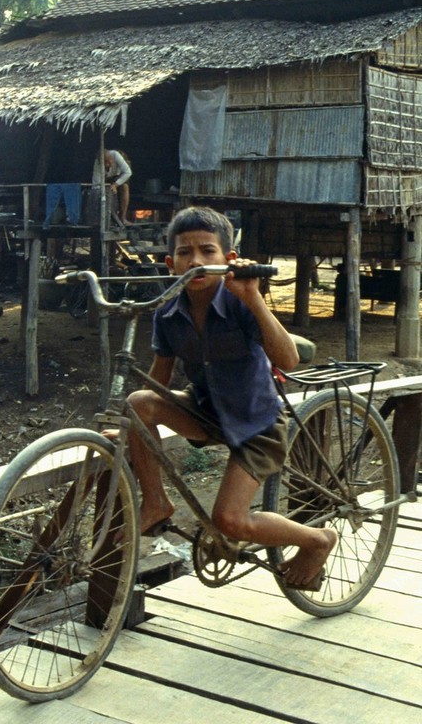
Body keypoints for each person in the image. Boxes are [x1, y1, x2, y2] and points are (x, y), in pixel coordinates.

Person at [118, 206, 337, 591]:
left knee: (231, 521)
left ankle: (318, 540)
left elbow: (287, 360)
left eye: (208, 251)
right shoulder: (168, 313)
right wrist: (125, 429)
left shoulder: (239, 302)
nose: (196, 261)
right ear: (171, 263)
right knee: (137, 402)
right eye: (185, 253)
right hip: (205, 411)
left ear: (229, 259)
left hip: (258, 424)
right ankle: (156, 502)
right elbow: (159, 381)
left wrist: (253, 296)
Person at [94, 148, 132, 226]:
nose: (107, 165)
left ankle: (123, 218)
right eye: (105, 163)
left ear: (111, 158)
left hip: (117, 177)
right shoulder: (97, 164)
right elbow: (96, 183)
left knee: (125, 187)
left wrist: (115, 185)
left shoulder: (115, 155)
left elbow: (128, 172)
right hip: (105, 180)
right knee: (101, 192)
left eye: (109, 161)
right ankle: (106, 218)